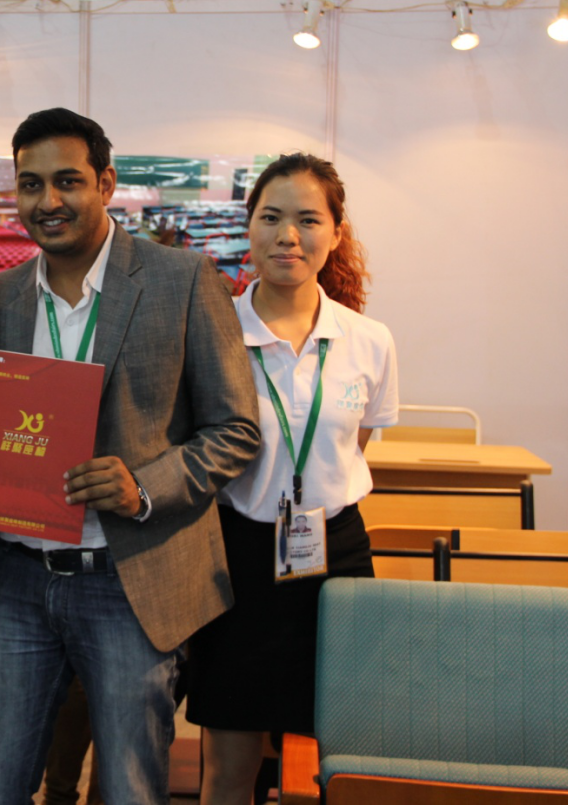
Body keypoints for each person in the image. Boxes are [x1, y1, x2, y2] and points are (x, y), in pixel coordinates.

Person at [0, 107, 261, 804]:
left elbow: (236, 429)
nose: (47, 201)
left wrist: (142, 488)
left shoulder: (182, 280)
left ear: (106, 182)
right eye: (30, 184)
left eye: (67, 181)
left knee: (128, 790)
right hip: (17, 577)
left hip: (130, 578)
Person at [185, 153, 399, 805]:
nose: (289, 236)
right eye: (272, 218)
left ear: (335, 231)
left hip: (336, 555)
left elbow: (352, 448)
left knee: (337, 756)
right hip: (236, 555)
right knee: (230, 765)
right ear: (248, 226)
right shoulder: (211, 333)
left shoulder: (369, 340)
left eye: (308, 220)